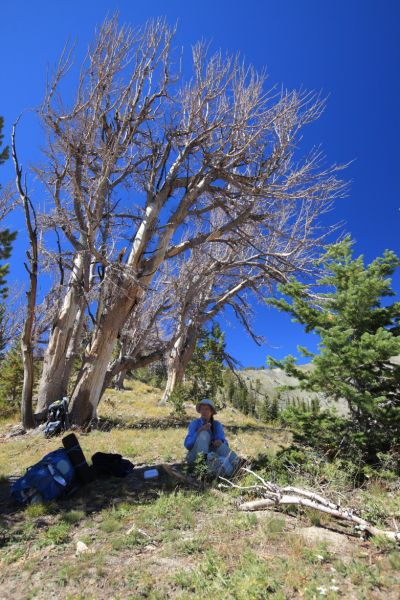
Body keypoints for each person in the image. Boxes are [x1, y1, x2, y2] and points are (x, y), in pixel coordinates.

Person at [184, 399, 239, 476]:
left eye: (206, 409)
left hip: (212, 455)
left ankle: (238, 464)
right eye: (202, 409)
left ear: (212, 412)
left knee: (222, 446)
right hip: (195, 456)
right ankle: (202, 467)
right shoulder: (194, 424)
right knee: (204, 434)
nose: (204, 411)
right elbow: (188, 445)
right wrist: (199, 431)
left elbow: (224, 443)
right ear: (199, 411)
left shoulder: (216, 425)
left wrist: (220, 442)